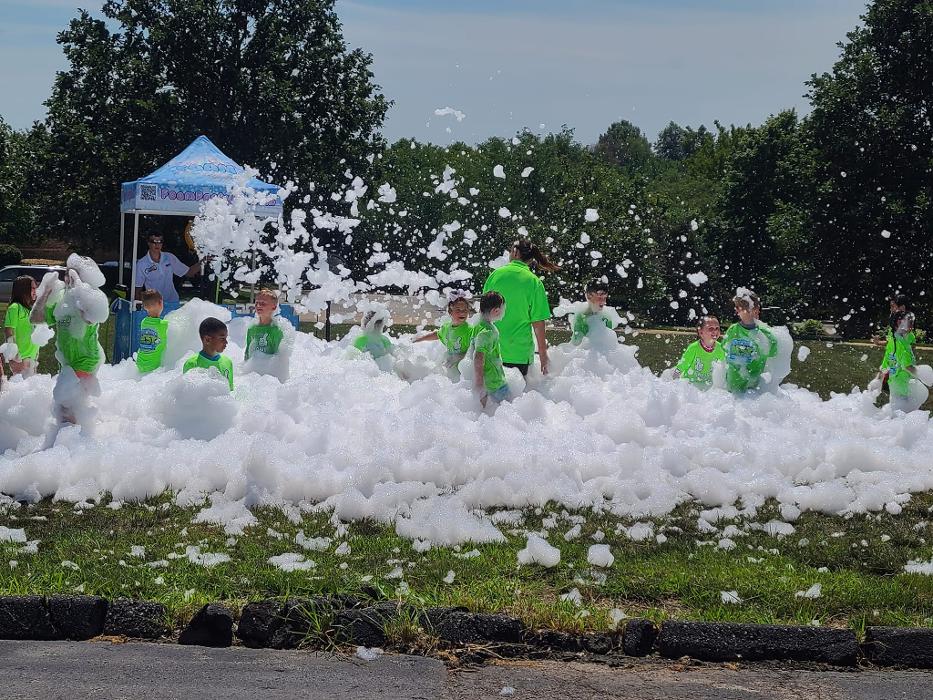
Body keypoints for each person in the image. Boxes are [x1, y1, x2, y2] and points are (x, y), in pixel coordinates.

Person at [31, 255, 108, 426]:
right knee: (69, 407)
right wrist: (45, 294)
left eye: (73, 273)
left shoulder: (91, 296)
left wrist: (79, 288)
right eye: (66, 272)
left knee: (67, 407)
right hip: (67, 362)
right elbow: (35, 318)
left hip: (85, 360)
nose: (68, 276)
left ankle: (73, 444)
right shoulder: (61, 301)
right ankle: (78, 437)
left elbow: (92, 317)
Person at [482, 238, 558, 375]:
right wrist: (543, 355)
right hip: (519, 354)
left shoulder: (495, 276)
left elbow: (483, 314)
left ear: (515, 252)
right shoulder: (534, 282)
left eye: (511, 250)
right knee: (517, 395)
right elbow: (538, 323)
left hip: (492, 350)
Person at [722, 289, 778, 393]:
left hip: (752, 387)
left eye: (741, 308)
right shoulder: (732, 330)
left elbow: (773, 353)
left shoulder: (765, 334)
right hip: (733, 386)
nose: (738, 310)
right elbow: (724, 349)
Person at [415, 290, 475, 372]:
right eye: (458, 310)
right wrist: (420, 339)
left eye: (464, 310)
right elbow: (437, 335)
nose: (462, 313)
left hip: (463, 371)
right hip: (451, 369)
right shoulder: (446, 327)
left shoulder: (470, 330)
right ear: (450, 312)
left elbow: (473, 351)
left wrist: (458, 357)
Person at [134, 233, 202, 303]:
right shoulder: (141, 264)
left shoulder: (170, 257)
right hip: (154, 306)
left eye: (160, 241)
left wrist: (204, 261)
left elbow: (189, 273)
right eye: (153, 241)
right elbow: (137, 289)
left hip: (172, 302)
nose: (157, 244)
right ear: (148, 243)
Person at [877, 309, 919, 412]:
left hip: (894, 385)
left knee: (895, 414)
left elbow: (885, 362)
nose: (909, 326)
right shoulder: (903, 346)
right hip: (904, 388)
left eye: (910, 323)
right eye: (906, 323)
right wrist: (922, 375)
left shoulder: (893, 341)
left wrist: (878, 378)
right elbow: (908, 366)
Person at [472, 291, 509, 407]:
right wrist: (479, 383)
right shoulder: (488, 332)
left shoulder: (478, 325)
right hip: (495, 384)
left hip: (489, 382)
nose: (504, 312)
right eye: (503, 309)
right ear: (496, 311)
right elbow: (478, 357)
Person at [2, 276, 39, 379]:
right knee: (21, 388)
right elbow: (9, 330)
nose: (36, 291)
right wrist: (13, 352)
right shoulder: (15, 308)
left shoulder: (28, 310)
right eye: (33, 288)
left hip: (31, 357)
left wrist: (36, 352)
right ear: (23, 290)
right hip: (20, 357)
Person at [183, 317, 234, 391]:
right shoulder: (192, 364)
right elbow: (186, 396)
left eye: (226, 338)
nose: (226, 342)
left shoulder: (227, 362)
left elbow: (230, 392)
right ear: (207, 340)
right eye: (222, 338)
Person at [673, 316, 726, 388]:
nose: (715, 331)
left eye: (717, 328)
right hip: (690, 387)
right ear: (701, 332)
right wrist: (673, 385)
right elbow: (680, 368)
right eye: (711, 329)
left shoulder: (721, 349)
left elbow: (725, 369)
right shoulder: (693, 348)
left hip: (708, 388)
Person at [245, 289, 285, 361]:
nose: (258, 305)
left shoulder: (276, 330)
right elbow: (247, 354)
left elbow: (279, 359)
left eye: (263, 303)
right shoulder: (251, 329)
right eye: (256, 303)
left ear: (274, 307)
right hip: (253, 370)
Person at [570, 280, 613, 345]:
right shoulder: (581, 317)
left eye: (605, 298)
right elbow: (576, 344)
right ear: (589, 296)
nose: (603, 302)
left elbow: (609, 343)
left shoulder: (606, 317)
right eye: (600, 298)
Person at [136, 289, 168, 374]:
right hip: (154, 366)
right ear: (160, 303)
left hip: (140, 363)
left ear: (144, 307)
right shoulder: (164, 325)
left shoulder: (143, 322)